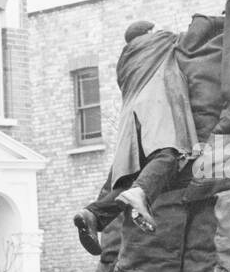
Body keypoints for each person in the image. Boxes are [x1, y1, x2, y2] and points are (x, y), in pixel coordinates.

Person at [73, 20, 197, 254]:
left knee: (134, 177)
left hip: (130, 120)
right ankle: (140, 195)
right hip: (155, 109)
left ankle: (93, 214)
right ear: (149, 33)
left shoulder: (126, 60)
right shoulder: (159, 41)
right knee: (169, 155)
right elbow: (192, 38)